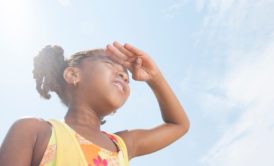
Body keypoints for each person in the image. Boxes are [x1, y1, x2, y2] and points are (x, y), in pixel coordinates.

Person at [0, 41, 190, 166]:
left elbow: (179, 125)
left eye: (126, 76)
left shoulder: (123, 145)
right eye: (109, 63)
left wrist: (154, 77)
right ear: (73, 75)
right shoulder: (35, 131)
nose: (124, 74)